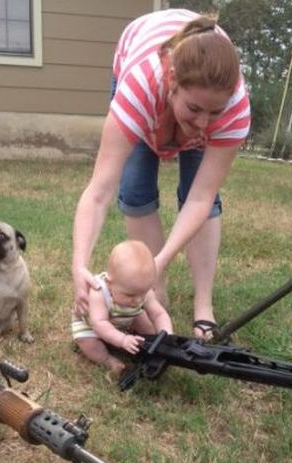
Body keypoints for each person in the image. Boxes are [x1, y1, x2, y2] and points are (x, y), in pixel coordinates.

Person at [71, 8, 251, 340]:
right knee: (135, 188)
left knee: (197, 190)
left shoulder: (234, 107)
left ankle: (203, 304)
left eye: (214, 112)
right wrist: (79, 264)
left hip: (188, 91)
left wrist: (161, 259)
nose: (203, 123)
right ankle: (155, 292)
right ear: (172, 81)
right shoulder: (139, 87)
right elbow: (99, 191)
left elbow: (200, 197)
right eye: (194, 108)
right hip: (137, 56)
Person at [71, 240, 173, 375]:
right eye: (130, 295)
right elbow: (99, 324)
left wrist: (167, 335)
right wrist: (122, 340)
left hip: (125, 316)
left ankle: (148, 348)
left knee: (148, 327)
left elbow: (158, 314)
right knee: (88, 343)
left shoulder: (141, 290)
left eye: (143, 293)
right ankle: (108, 361)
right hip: (92, 325)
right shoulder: (98, 291)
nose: (138, 300)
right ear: (109, 283)